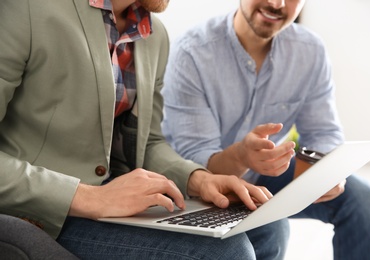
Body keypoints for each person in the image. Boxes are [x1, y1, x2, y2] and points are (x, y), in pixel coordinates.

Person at [0, 0, 289, 259]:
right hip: (45, 209)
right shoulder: (26, 8)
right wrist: (93, 198)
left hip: (113, 198)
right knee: (227, 252)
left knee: (270, 227)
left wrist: (198, 180)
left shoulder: (154, 35)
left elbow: (146, 141)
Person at [161, 0, 370, 259]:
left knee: (362, 201)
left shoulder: (309, 51)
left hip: (262, 172)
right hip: (201, 185)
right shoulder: (192, 53)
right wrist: (242, 156)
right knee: (273, 228)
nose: (277, 3)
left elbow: (323, 133)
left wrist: (323, 172)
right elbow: (198, 162)